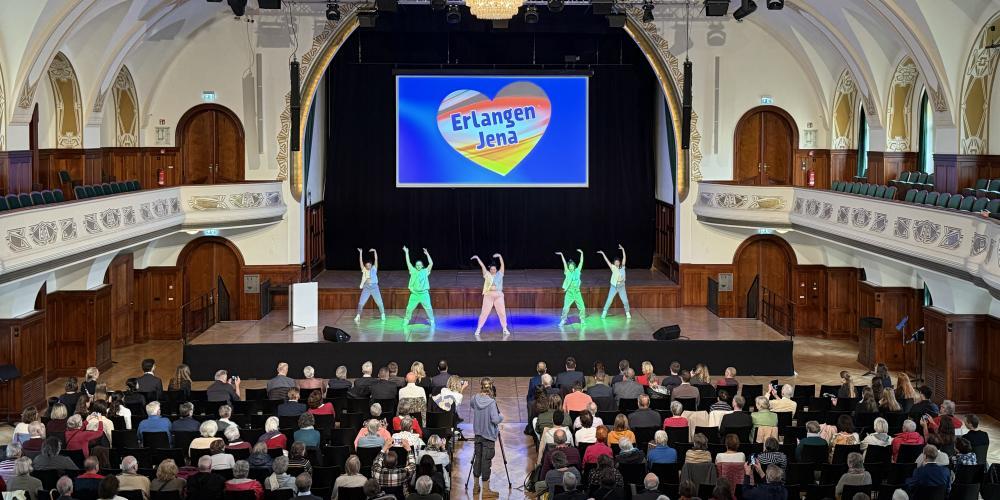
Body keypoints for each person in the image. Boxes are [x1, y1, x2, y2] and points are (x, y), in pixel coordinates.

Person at [471, 377, 503, 492]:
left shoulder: (474, 398)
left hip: (478, 434)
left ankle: (475, 486)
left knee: (478, 459)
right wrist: (501, 417)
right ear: (490, 387)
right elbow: (495, 419)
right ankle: (486, 489)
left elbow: (472, 406)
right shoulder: (491, 402)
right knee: (486, 461)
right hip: (488, 436)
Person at [471, 253, 511, 337]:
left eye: (494, 269)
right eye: (491, 269)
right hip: (488, 296)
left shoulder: (500, 274)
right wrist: (478, 258)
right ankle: (478, 328)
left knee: (502, 312)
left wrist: (500, 256)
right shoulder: (487, 275)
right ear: (490, 270)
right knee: (484, 313)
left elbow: (502, 265)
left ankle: (504, 328)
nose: (493, 270)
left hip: (498, 296)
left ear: (496, 269)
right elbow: (482, 266)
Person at [402, 246, 435, 326]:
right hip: (415, 294)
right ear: (415, 266)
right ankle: (406, 319)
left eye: (420, 265)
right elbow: (408, 262)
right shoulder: (413, 271)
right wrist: (406, 252)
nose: (418, 266)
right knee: (409, 308)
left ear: (422, 266)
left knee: (429, 308)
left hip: (424, 294)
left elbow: (431, 263)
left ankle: (432, 320)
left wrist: (427, 254)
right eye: (417, 265)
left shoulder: (425, 271)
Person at [598, 244, 631, 319]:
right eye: (615, 262)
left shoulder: (622, 267)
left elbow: (624, 258)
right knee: (609, 300)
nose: (617, 263)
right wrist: (603, 254)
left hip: (621, 286)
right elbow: (607, 261)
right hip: (614, 286)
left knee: (625, 301)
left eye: (618, 262)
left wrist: (623, 250)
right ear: (614, 263)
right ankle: (604, 312)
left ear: (619, 262)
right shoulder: (613, 267)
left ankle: (627, 312)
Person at [355, 248, 386, 322]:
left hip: (375, 287)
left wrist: (375, 251)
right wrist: (361, 253)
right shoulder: (364, 270)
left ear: (371, 265)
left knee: (379, 302)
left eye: (369, 265)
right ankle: (358, 315)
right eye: (367, 265)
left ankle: (382, 314)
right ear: (365, 266)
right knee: (361, 302)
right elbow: (360, 262)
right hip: (366, 287)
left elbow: (376, 259)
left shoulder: (374, 269)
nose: (368, 266)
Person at [557, 249, 586, 326]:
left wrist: (582, 253)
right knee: (565, 308)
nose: (570, 267)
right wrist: (562, 255)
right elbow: (564, 263)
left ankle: (582, 319)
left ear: (574, 266)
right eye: (569, 266)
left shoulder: (577, 271)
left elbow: (581, 262)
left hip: (577, 292)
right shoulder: (567, 272)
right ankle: (563, 320)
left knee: (582, 307)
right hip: (569, 292)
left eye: (572, 266)